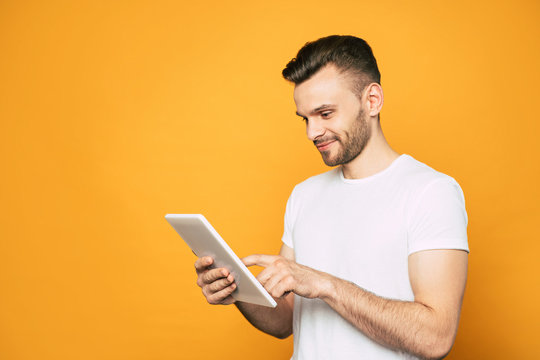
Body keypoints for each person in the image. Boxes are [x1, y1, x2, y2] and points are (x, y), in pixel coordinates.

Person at [194, 35, 469, 360]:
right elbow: (285, 320)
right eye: (305, 118)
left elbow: (435, 338)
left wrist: (324, 284)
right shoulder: (304, 195)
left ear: (372, 101)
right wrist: (237, 289)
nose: (312, 133)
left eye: (325, 114)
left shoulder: (431, 192)